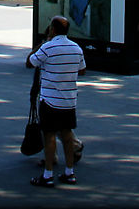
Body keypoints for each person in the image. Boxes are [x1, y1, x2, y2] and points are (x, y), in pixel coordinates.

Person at [26, 15, 86, 187]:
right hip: (69, 100)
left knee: (49, 136)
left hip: (50, 100)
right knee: (67, 135)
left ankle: (48, 174)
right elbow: (82, 70)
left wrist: (45, 43)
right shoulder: (76, 48)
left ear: (52, 29)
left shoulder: (48, 47)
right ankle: (69, 172)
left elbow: (31, 62)